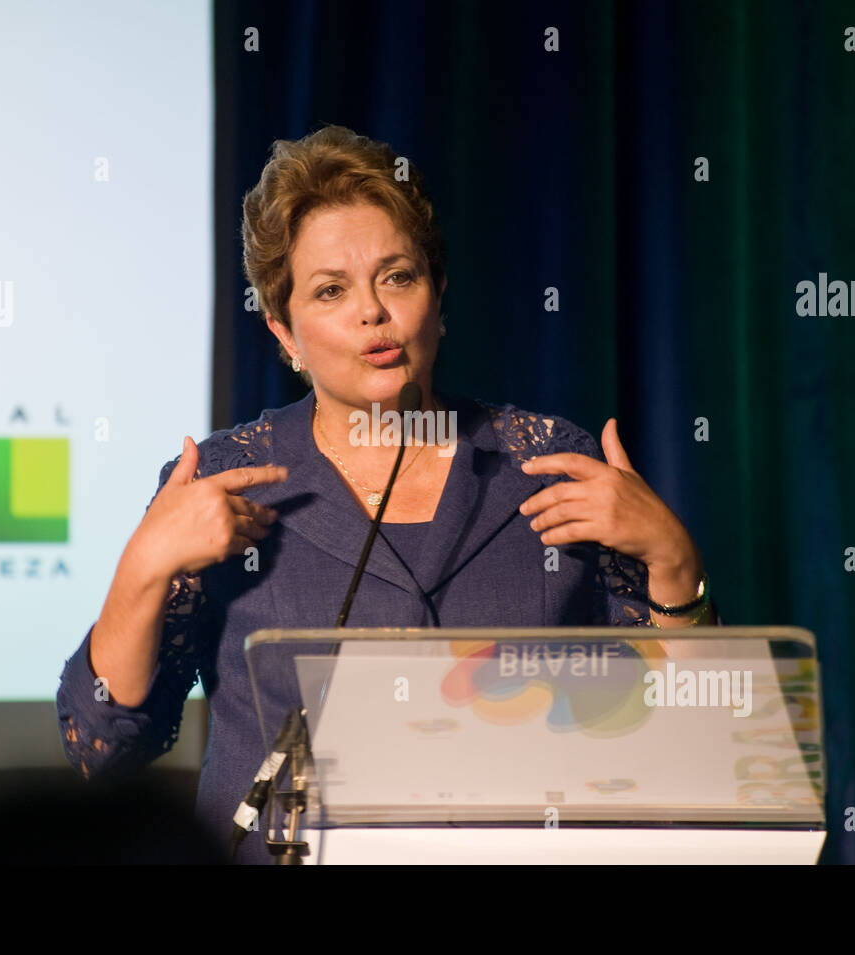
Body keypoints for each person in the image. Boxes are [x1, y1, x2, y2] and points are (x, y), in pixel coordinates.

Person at [56, 125, 721, 864]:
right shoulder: (220, 483)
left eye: (397, 276)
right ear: (284, 333)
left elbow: (679, 740)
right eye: (331, 290)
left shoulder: (548, 463)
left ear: (438, 299)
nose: (372, 311)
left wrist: (672, 558)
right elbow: (103, 750)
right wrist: (143, 566)